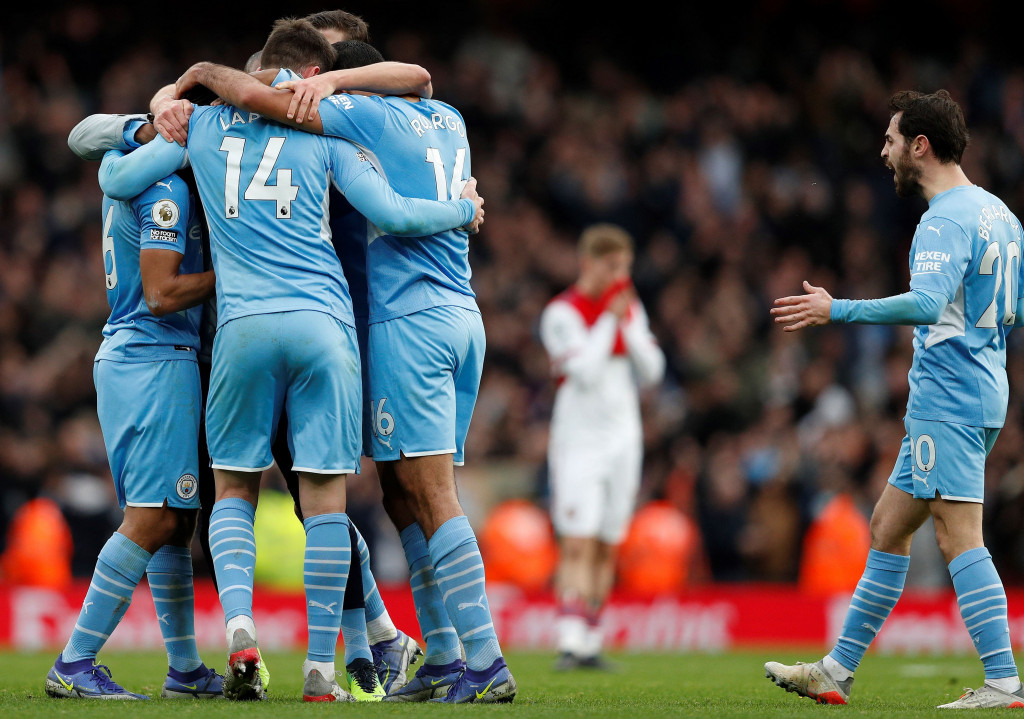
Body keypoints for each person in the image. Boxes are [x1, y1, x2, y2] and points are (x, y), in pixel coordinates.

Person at [98, 20, 483, 703]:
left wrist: (160, 112)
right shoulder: (329, 135)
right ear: (307, 75)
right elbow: (394, 209)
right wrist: (460, 208)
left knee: (233, 490)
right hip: (330, 327)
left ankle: (240, 629)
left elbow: (112, 171)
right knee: (328, 499)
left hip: (241, 327)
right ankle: (324, 667)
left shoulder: (205, 127)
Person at [766, 89, 1024, 710]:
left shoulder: (943, 219)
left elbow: (928, 305)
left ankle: (1003, 681)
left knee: (958, 535)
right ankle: (836, 671)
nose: (884, 153)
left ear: (920, 146)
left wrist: (836, 309)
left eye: (890, 140)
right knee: (886, 527)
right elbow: (1010, 312)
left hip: (949, 399)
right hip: (980, 388)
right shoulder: (1001, 214)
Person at [45, 130, 220, 700]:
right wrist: (237, 272)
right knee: (151, 518)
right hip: (153, 358)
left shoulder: (134, 168)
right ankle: (75, 660)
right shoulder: (168, 189)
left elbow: (87, 134)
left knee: (175, 519)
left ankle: (185, 670)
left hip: (138, 357)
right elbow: (161, 294)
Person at [538, 223, 665, 670]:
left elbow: (653, 369)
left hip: (624, 439)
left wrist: (625, 322)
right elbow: (586, 371)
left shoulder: (630, 308)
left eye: (625, 267)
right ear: (588, 263)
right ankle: (569, 640)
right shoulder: (561, 313)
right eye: (612, 266)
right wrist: (611, 319)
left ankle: (591, 640)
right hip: (578, 441)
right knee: (577, 540)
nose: (620, 277)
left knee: (609, 542)